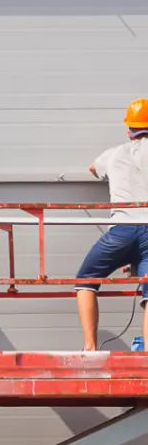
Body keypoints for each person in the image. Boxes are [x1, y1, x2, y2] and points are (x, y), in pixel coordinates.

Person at [76, 98, 148, 352]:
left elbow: (93, 168)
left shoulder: (115, 152)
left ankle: (90, 348)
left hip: (122, 231)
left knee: (85, 281)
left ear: (129, 130)